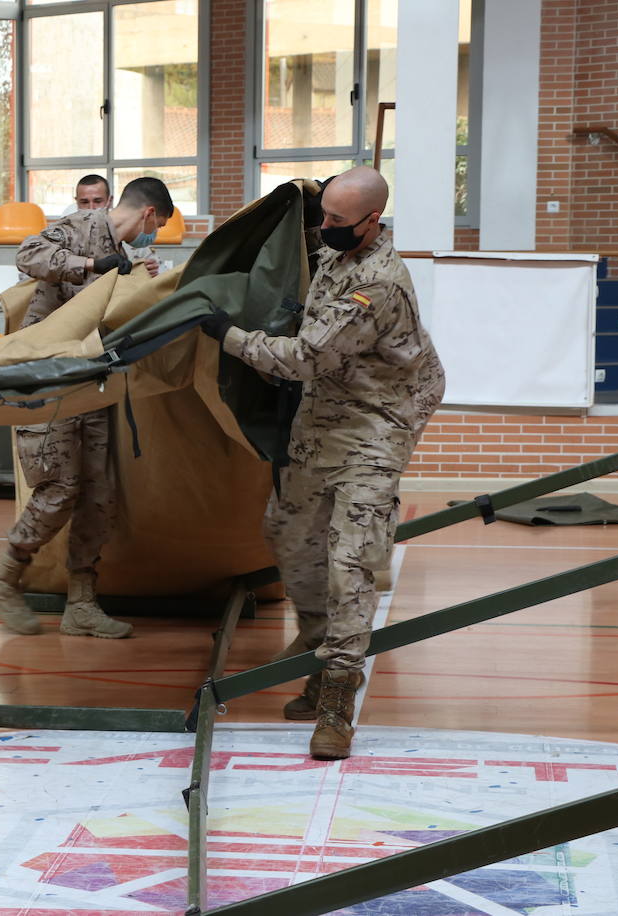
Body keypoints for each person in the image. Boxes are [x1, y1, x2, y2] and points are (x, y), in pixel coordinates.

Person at [203, 166, 445, 760]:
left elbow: (305, 358)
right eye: (323, 218)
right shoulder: (338, 250)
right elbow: (293, 251)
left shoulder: (378, 283)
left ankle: (336, 695)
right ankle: (315, 639)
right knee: (286, 531)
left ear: (373, 221)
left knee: (351, 559)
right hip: (326, 414)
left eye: (337, 221)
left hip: (377, 422)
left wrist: (223, 333)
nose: (325, 230)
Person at [0, 177, 173, 639]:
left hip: (90, 383)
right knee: (59, 489)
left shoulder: (130, 256)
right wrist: (90, 262)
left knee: (98, 492)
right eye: (159, 225)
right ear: (147, 213)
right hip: (48, 382)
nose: (156, 235)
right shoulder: (82, 226)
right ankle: (3, 577)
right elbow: (27, 256)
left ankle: (81, 603)